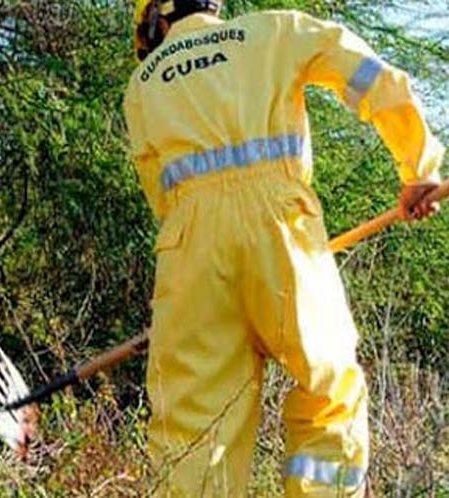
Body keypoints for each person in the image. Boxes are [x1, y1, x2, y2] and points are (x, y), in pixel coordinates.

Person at [123, 1, 445, 496]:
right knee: (328, 395)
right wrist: (418, 166)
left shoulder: (144, 84)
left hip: (188, 251)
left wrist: (186, 300)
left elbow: (158, 191)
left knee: (192, 429)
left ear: (156, 21)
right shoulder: (275, 31)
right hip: (285, 232)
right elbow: (371, 76)